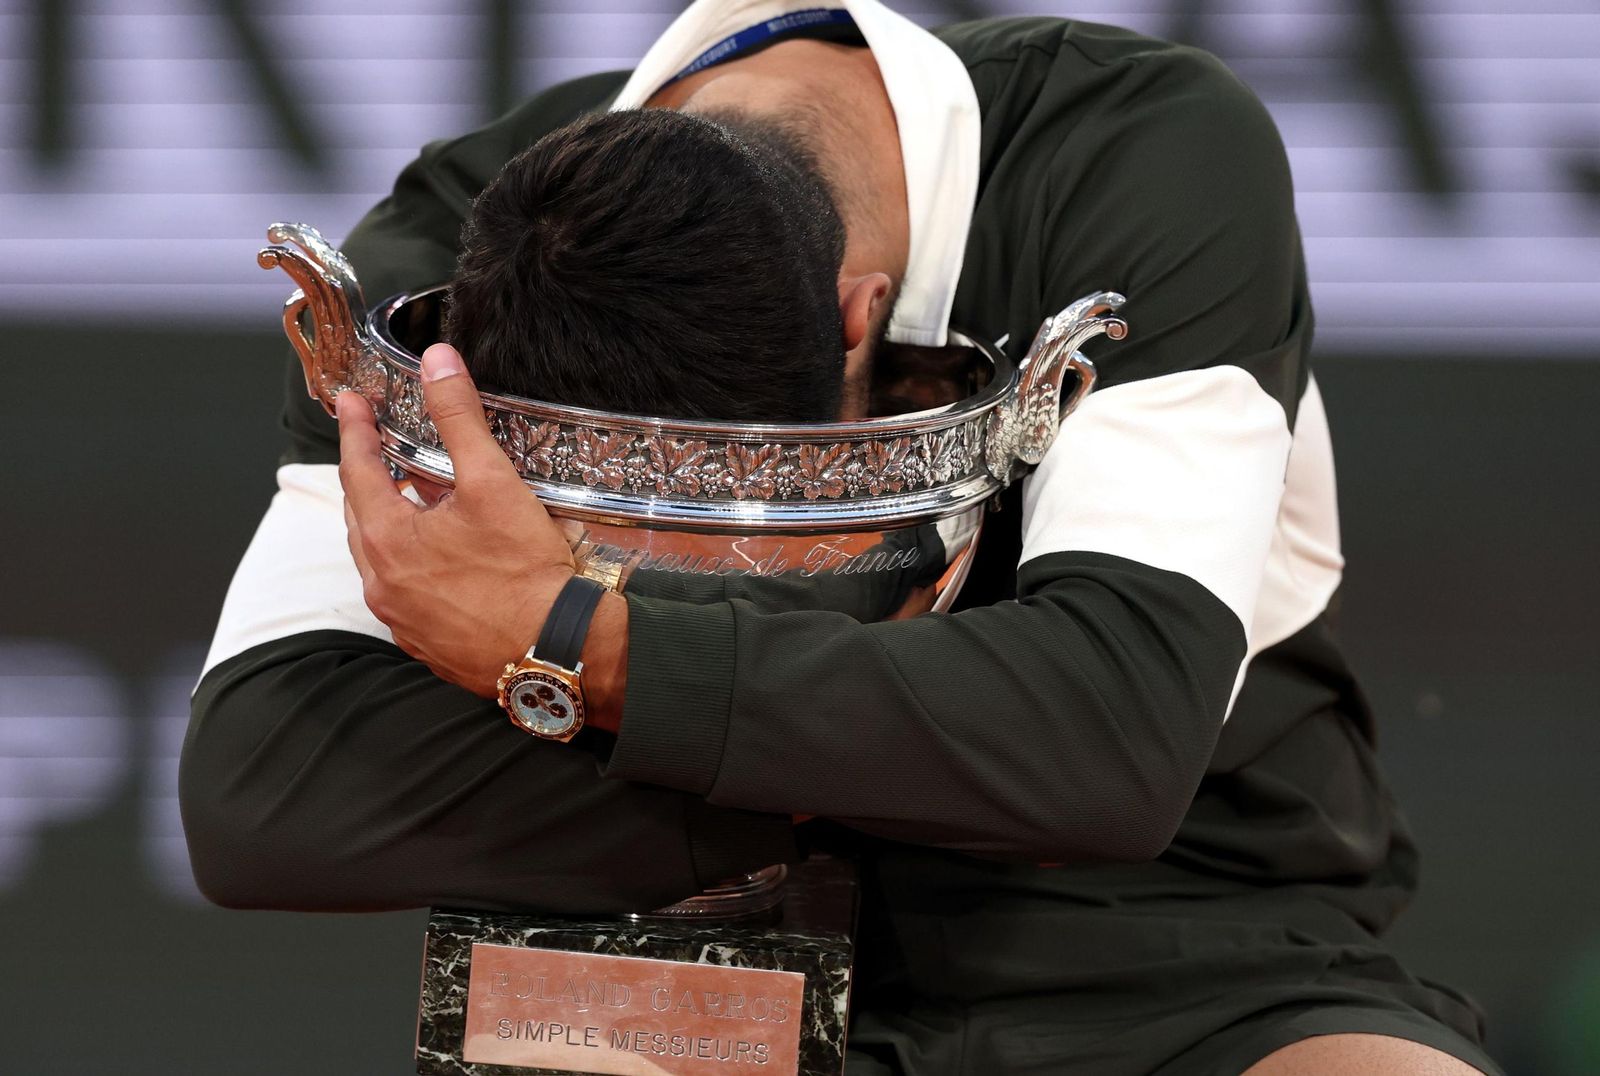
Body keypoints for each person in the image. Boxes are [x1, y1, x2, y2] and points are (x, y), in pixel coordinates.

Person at [182, 2, 1502, 1073]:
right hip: (652, 961)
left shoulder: (1136, 156)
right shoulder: (446, 263)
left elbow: (1113, 750)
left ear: (856, 318)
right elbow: (268, 801)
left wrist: (570, 638)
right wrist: (958, 749)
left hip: (1179, 942)